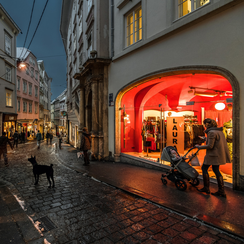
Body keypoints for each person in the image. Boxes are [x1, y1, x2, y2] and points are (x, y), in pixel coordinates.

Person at [195, 118, 231, 198]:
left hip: (213, 155)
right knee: (216, 170)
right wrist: (205, 139)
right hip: (218, 154)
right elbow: (215, 142)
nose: (204, 126)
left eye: (205, 124)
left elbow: (210, 146)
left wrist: (199, 147)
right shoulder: (219, 131)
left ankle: (206, 188)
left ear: (207, 125)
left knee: (204, 168)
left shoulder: (211, 132)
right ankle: (221, 191)